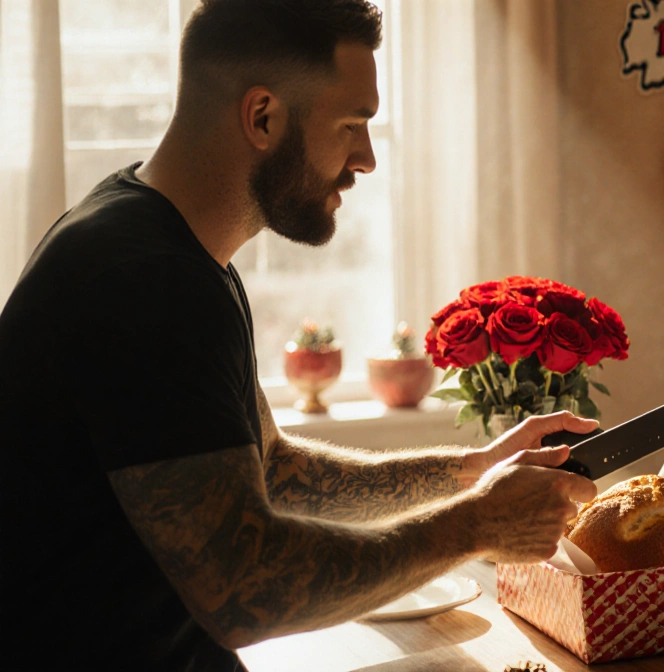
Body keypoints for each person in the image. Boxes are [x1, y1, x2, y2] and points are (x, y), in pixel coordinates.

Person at [0, 1, 597, 669]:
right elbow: (244, 591)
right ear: (263, 117)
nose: (367, 159)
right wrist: (476, 527)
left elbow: (273, 472)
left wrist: (471, 472)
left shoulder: (168, 246)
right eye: (351, 125)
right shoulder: (146, 280)